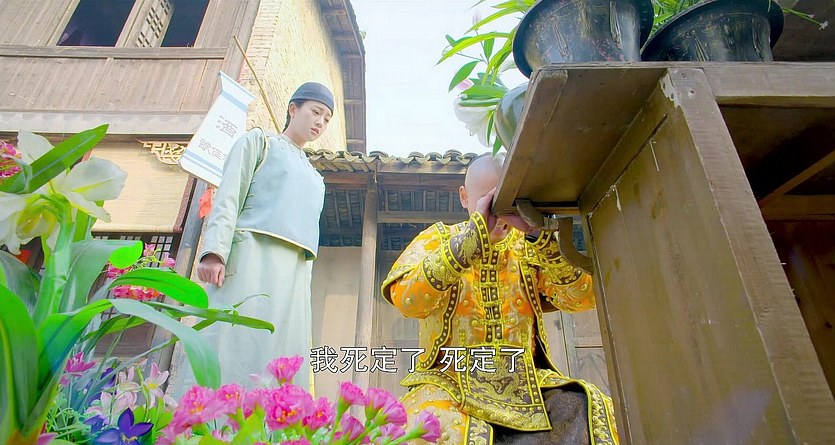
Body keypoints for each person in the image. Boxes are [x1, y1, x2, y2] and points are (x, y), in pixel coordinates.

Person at [381, 154, 618, 444]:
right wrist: (468, 244)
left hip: (528, 384)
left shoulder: (530, 245)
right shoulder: (438, 239)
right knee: (425, 428)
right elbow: (406, 300)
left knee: (591, 408)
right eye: (489, 202)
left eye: (507, 204)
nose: (498, 215)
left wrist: (538, 235)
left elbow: (582, 298)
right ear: (464, 197)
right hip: (449, 382)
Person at [178, 82, 334, 391]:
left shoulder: (317, 179)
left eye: (327, 119)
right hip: (250, 257)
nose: (320, 122)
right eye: (316, 112)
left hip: (294, 277)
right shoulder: (259, 143)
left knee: (282, 353)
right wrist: (215, 252)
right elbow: (229, 196)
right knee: (230, 341)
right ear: (293, 109)